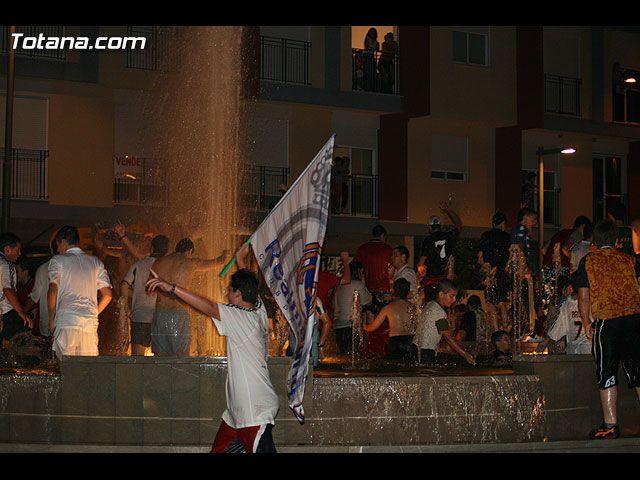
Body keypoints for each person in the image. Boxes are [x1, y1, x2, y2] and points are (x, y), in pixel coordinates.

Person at [145, 244, 279, 453]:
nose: (227, 294)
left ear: (238, 294)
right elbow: (250, 287)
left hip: (253, 411)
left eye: (229, 290)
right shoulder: (258, 311)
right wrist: (240, 260)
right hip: (237, 413)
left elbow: (208, 306)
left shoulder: (240, 316)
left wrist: (172, 288)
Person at [574, 219, 640, 440]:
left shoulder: (588, 261)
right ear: (615, 239)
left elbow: (583, 298)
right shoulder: (630, 260)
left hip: (608, 321)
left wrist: (586, 324)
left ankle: (610, 424)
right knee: (638, 372)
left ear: (595, 239)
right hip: (634, 319)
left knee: (607, 372)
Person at [148, 238, 229, 356]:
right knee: (181, 357)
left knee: (160, 357)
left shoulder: (159, 262)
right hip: (179, 314)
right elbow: (218, 261)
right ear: (190, 251)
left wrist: (162, 292)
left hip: (159, 314)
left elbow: (149, 290)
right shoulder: (191, 262)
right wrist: (225, 255)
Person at [47, 226, 112, 362]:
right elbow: (108, 295)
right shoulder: (96, 262)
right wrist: (94, 312)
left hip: (67, 319)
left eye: (58, 245)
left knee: (65, 367)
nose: (58, 250)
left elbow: (53, 290)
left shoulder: (58, 260)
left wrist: (51, 318)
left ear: (63, 242)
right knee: (86, 368)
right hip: (89, 321)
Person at [121, 234, 170, 355]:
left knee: (138, 358)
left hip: (140, 317)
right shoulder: (168, 266)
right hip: (159, 317)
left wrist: (125, 307)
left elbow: (124, 285)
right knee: (160, 358)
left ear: (152, 248)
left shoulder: (139, 264)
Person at [411, 279, 475, 366]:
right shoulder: (439, 311)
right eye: (451, 296)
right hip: (425, 351)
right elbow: (447, 336)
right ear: (441, 294)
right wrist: (465, 354)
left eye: (455, 296)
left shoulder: (430, 304)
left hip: (416, 348)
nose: (454, 300)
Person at [536, 277, 591, 355]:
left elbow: (558, 327)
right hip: (588, 349)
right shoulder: (591, 303)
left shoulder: (566, 304)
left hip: (574, 349)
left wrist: (545, 341)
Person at [363, 278, 413, 361]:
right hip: (410, 341)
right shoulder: (413, 307)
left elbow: (372, 327)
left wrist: (362, 326)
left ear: (393, 291)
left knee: (393, 369)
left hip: (395, 342)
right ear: (408, 292)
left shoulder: (388, 308)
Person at [417, 202, 462, 286]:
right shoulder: (449, 236)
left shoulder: (428, 240)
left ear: (429, 228)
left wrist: (418, 275)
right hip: (446, 277)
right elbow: (459, 225)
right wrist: (448, 210)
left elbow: (421, 262)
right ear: (440, 226)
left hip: (432, 278)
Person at [478, 212, 511, 327]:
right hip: (501, 272)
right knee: (502, 303)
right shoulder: (507, 237)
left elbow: (480, 257)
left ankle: (495, 331)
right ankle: (505, 330)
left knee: (490, 303)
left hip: (489, 272)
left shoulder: (485, 235)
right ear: (503, 224)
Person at [332, 260, 372, 355]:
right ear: (358, 272)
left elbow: (335, 305)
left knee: (344, 356)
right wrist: (363, 282)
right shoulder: (358, 285)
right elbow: (369, 301)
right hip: (351, 326)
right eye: (362, 273)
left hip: (339, 326)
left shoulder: (339, 286)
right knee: (355, 356)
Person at [0, 232, 32, 347]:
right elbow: (7, 289)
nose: (19, 253)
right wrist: (21, 311)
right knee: (26, 339)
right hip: (5, 313)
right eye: (18, 250)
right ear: (7, 249)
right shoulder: (6, 265)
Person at [353, 225, 393, 307]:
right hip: (383, 288)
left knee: (368, 313)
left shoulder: (362, 249)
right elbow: (392, 266)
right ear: (382, 235)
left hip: (367, 288)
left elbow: (355, 266)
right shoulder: (387, 249)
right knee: (384, 312)